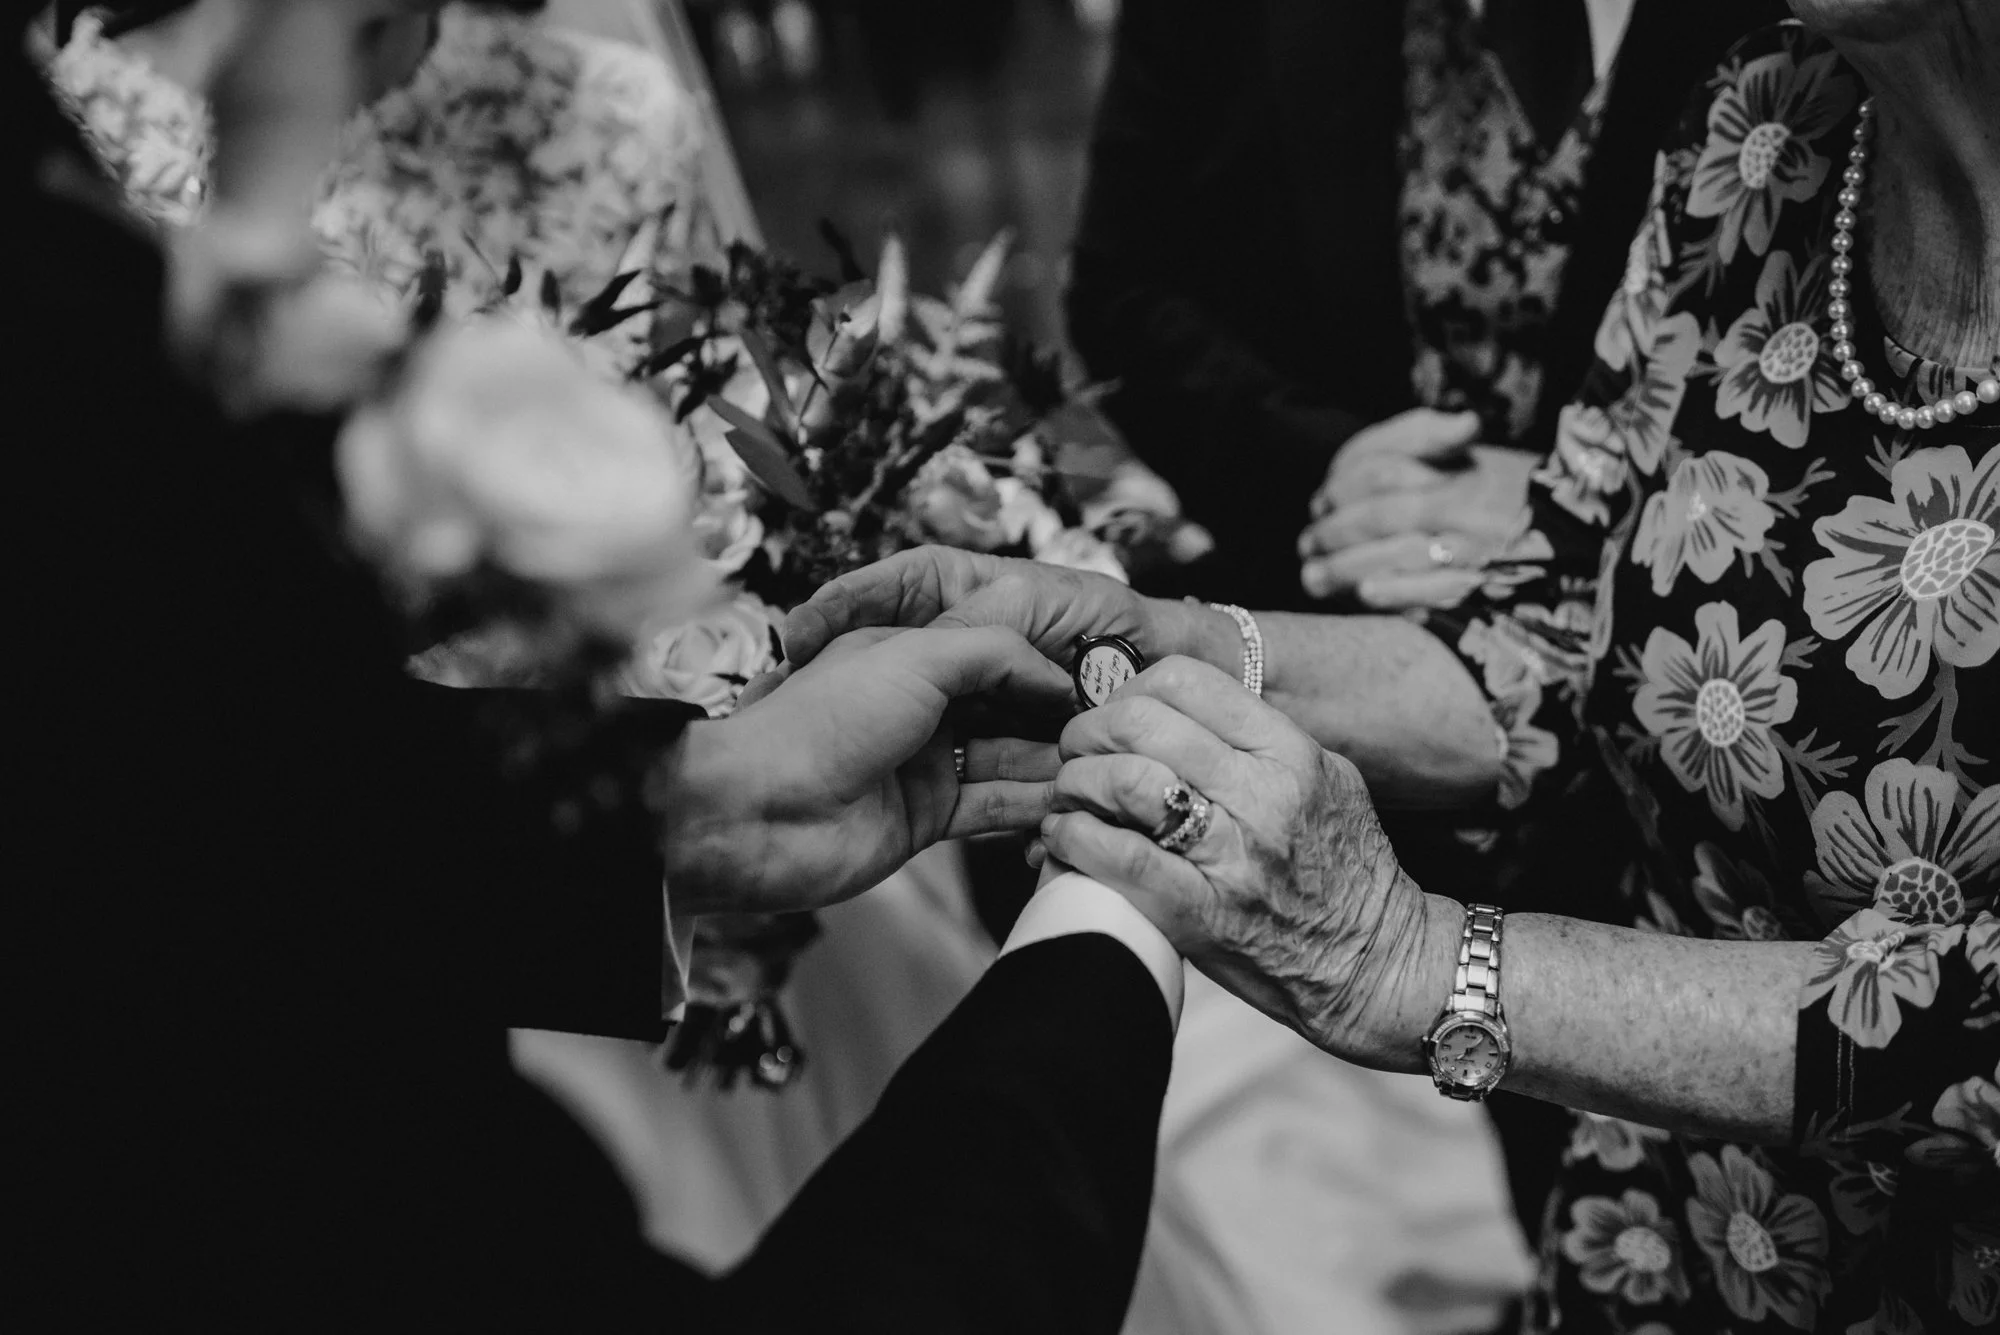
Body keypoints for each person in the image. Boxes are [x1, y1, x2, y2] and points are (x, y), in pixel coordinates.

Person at [787, 4, 2000, 1329]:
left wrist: (1417, 960)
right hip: (1665, 1237)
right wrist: (1149, 642)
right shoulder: (1766, 118)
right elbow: (1549, 627)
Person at [10, 3, 1182, 1327]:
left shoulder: (606, 114)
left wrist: (692, 790)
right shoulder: (100, 249)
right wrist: (1117, 918)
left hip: (611, 813)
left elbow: (201, 814)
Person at [1068, 0, 1787, 614]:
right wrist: (1335, 473)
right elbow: (1123, 288)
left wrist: (1584, 508)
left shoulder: (1822, 26)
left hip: (1681, 641)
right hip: (1334, 622)